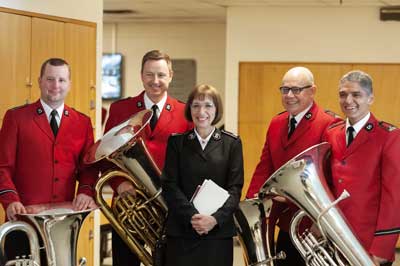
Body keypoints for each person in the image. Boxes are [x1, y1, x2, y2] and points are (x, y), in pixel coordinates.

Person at [0, 58, 97, 261]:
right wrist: (11, 200)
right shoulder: (15, 118)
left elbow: (88, 168)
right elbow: (2, 167)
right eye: (50, 79)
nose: (55, 86)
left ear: (69, 84)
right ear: (39, 81)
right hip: (23, 217)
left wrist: (86, 191)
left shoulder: (83, 122)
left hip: (63, 222)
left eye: (61, 80)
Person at [103, 50, 192, 266]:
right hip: (128, 207)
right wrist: (119, 183)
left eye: (161, 75)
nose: (155, 81)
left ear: (171, 76)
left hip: (168, 209)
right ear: (141, 75)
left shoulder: (185, 112)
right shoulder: (120, 109)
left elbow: (191, 162)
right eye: (149, 74)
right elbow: (105, 157)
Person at [246, 66, 340, 265]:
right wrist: (251, 208)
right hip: (286, 226)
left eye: (296, 90)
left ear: (312, 91)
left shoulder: (328, 124)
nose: (289, 95)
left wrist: (320, 221)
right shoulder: (276, 123)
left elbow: (332, 181)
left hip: (314, 227)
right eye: (285, 89)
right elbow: (265, 167)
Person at [323, 70, 400, 266]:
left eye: (356, 94)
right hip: (334, 238)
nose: (348, 100)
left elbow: (394, 198)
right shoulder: (332, 132)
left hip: (368, 245)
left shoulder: (389, 136)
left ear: (370, 98)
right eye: (343, 94)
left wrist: (383, 248)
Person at [161, 84, 244, 266]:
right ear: (189, 109)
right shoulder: (177, 143)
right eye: (196, 105)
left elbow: (235, 188)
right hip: (182, 231)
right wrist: (193, 217)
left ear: (217, 109)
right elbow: (169, 185)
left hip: (218, 233)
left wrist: (214, 219)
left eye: (208, 105)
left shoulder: (232, 144)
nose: (201, 111)